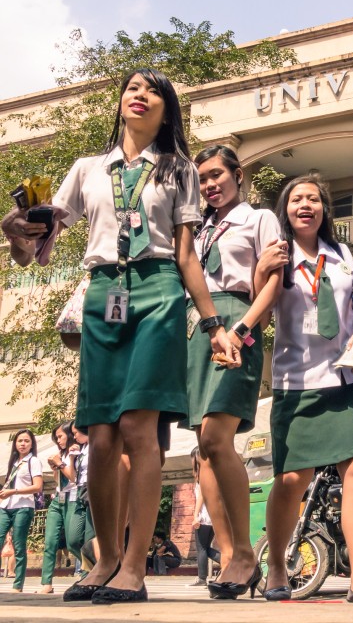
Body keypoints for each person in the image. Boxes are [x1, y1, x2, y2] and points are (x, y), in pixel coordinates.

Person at [0, 68, 239, 605]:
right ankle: (105, 559)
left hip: (157, 291)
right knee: (101, 435)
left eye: (152, 90)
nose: (140, 95)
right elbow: (37, 247)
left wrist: (213, 324)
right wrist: (16, 235)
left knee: (137, 427)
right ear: (121, 101)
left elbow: (185, 256)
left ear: (166, 108)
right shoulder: (87, 169)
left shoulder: (179, 169)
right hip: (102, 293)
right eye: (133, 87)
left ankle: (134, 567)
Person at [255, 175, 353, 603]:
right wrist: (260, 271)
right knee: (293, 478)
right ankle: (275, 570)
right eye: (296, 199)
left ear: (324, 209)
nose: (305, 204)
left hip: (345, 380)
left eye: (313, 198)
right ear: (285, 210)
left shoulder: (342, 255)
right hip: (295, 382)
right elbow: (261, 308)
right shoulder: (277, 254)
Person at [182, 144, 282, 599]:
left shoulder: (259, 218)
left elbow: (274, 283)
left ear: (238, 175)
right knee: (201, 449)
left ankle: (244, 551)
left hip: (236, 320)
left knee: (216, 438)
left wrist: (241, 330)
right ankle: (228, 553)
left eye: (217, 174)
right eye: (203, 178)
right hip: (195, 328)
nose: (210, 184)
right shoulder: (196, 226)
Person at [40, 421, 86, 594]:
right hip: (57, 499)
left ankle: (89, 571)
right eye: (56, 438)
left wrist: (60, 464)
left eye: (60, 436)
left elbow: (74, 478)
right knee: (50, 541)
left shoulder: (78, 450)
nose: (58, 440)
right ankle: (46, 583)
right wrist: (55, 467)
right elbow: (58, 480)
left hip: (73, 498)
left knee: (73, 540)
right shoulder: (60, 453)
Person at [0, 429, 43, 593]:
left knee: (19, 545)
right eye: (20, 441)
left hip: (23, 506)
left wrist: (15, 491)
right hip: (6, 506)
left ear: (32, 444)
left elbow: (37, 486)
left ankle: (18, 584)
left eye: (26, 441)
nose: (23, 444)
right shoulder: (13, 462)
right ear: (15, 444)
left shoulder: (34, 461)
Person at [188, 448, 221, 587]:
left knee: (201, 548)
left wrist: (195, 516)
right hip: (212, 516)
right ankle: (228, 561)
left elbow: (201, 495)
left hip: (204, 517)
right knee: (206, 548)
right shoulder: (213, 473)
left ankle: (202, 578)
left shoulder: (202, 475)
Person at [68, 425, 95, 575]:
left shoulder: (96, 445)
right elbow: (73, 478)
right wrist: (72, 458)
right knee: (73, 540)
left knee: (90, 537)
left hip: (93, 488)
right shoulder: (82, 449)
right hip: (79, 490)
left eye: (76, 433)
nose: (75, 436)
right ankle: (93, 567)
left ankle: (90, 574)